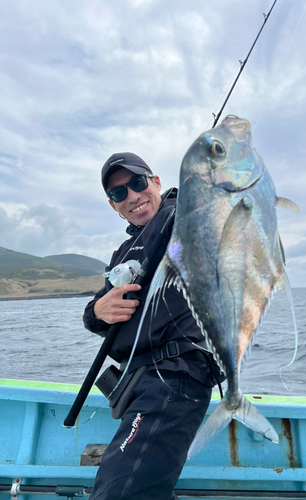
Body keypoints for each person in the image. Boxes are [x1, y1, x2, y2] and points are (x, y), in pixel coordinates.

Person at [83, 152, 215, 500]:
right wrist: (100, 309)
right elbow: (91, 315)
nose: (132, 196)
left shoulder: (182, 218)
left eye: (138, 183)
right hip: (137, 383)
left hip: (175, 376)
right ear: (113, 206)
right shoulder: (124, 253)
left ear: (156, 182)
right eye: (118, 193)